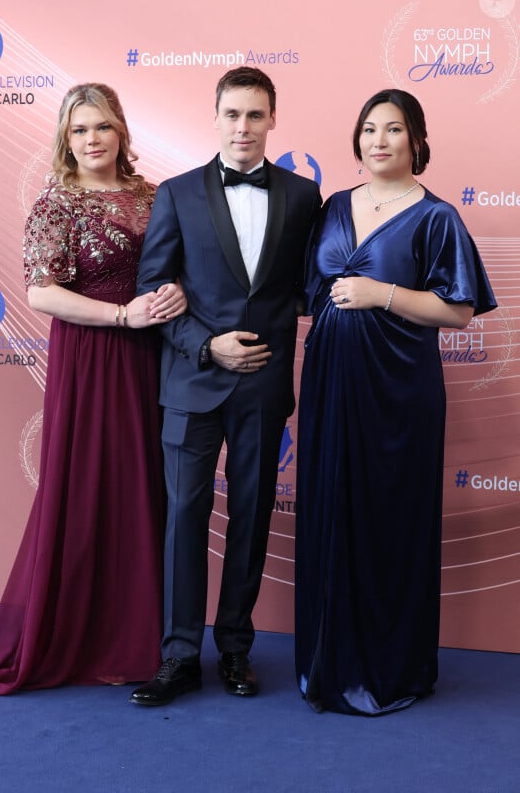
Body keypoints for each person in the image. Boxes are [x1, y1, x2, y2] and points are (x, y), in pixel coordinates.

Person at [0, 83, 186, 695]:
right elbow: (39, 292)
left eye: (102, 127)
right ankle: (77, 636)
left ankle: (134, 636)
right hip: (91, 355)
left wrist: (175, 295)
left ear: (121, 133)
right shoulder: (56, 203)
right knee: (86, 486)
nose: (91, 140)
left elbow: (180, 267)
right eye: (80, 130)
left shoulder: (154, 195)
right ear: (65, 138)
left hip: (151, 355)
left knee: (142, 487)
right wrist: (120, 316)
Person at [295, 89, 497, 716]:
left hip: (398, 391)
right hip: (331, 381)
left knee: (389, 518)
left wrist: (382, 293)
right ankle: (327, 666)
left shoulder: (436, 217)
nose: (379, 140)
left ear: (416, 142)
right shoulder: (332, 209)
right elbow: (312, 295)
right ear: (356, 140)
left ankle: (389, 668)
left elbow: (460, 312)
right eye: (369, 129)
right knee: (332, 509)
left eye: (394, 130)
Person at [129, 67, 321, 706]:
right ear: (215, 118)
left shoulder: (302, 196)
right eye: (233, 115)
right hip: (190, 383)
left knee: (252, 516)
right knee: (184, 518)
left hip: (263, 386)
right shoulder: (176, 193)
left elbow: (303, 287)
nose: (243, 127)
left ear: (273, 119)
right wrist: (205, 344)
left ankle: (235, 646)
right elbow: (152, 289)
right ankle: (179, 656)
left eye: (255, 116)